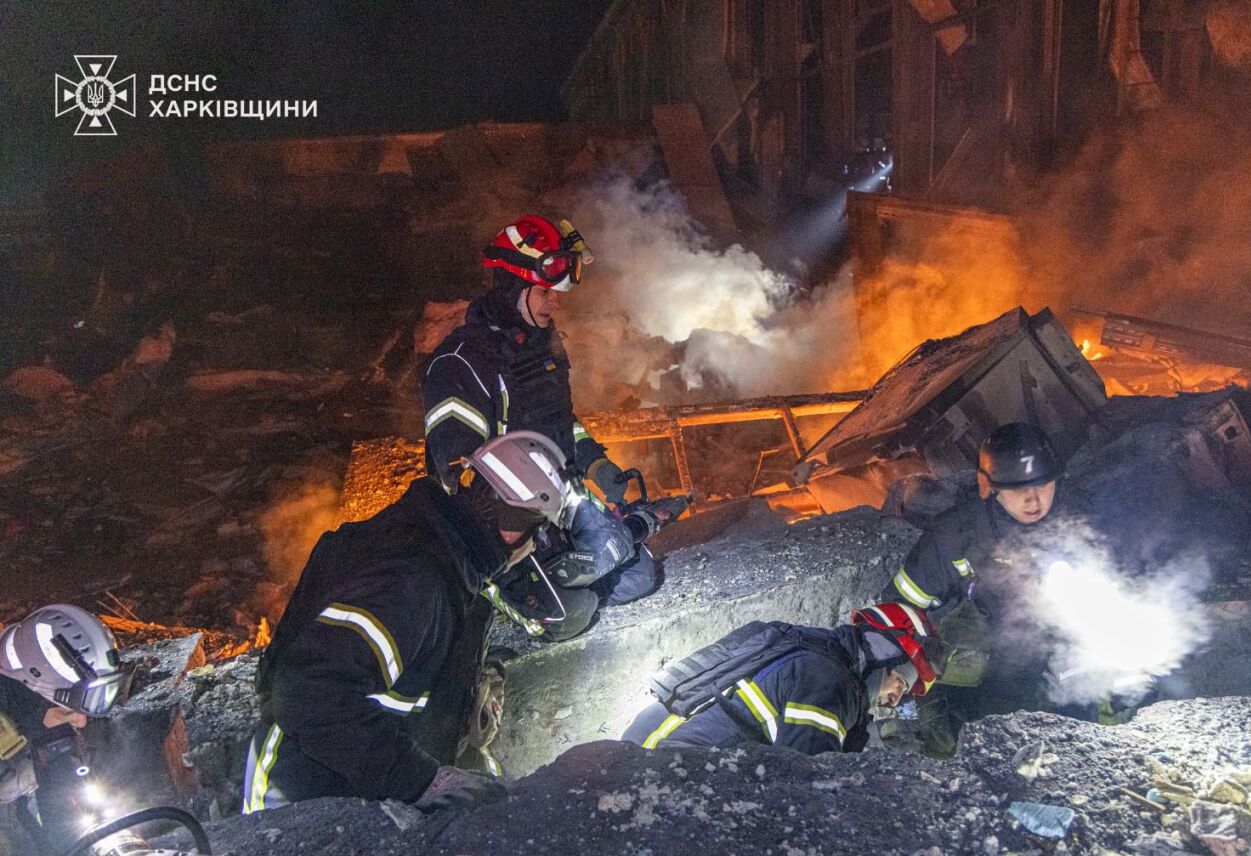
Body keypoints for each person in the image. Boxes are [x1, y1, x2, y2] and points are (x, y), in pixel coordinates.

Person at [243, 432, 571, 814]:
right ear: (512, 528)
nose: (535, 548)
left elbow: (407, 651)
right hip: (305, 800)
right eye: (538, 532)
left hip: (364, 787)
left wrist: (471, 681)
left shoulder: (447, 550)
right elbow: (312, 691)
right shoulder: (412, 580)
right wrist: (420, 781)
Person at [421, 215, 659, 641]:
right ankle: (501, 589)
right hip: (497, 531)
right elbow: (460, 473)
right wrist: (531, 532)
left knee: (640, 574)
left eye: (558, 293)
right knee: (569, 615)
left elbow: (559, 422)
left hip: (555, 507)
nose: (556, 303)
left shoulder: (542, 346)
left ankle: (569, 574)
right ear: (513, 287)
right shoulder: (461, 363)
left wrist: (596, 466)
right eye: (546, 291)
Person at [877, 422, 1091, 755]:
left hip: (1062, 662)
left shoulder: (1080, 520)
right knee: (961, 743)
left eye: (1043, 484)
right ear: (986, 485)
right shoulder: (957, 534)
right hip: (984, 667)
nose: (1033, 499)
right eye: (1016, 488)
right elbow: (897, 610)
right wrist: (902, 679)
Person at [622, 603, 937, 755]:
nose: (895, 699)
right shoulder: (828, 681)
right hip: (663, 757)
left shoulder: (814, 648)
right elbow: (810, 775)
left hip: (655, 736)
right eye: (900, 682)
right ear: (883, 654)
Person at [0, 604, 133, 842]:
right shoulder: (20, 699)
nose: (80, 722)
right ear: (30, 696)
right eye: (66, 712)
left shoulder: (26, 700)